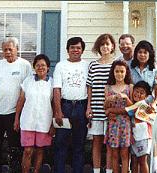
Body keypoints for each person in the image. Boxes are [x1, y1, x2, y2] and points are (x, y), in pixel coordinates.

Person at [0, 37, 32, 173]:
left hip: (13, 114)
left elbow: (26, 91)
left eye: (10, 49)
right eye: (5, 50)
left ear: (17, 49)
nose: (8, 52)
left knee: (14, 147)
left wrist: (21, 114)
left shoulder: (25, 65)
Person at [53, 37, 89, 173]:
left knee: (79, 145)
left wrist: (88, 109)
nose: (75, 50)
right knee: (60, 144)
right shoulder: (61, 66)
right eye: (72, 47)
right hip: (65, 107)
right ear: (67, 50)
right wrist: (58, 110)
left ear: (82, 50)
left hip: (81, 107)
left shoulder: (87, 65)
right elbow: (56, 89)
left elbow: (90, 88)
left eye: (78, 48)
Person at [14, 54, 54, 173]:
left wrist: (53, 124)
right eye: (37, 65)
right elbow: (21, 100)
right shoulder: (28, 81)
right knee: (27, 150)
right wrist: (16, 118)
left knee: (40, 150)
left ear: (48, 68)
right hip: (28, 121)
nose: (40, 67)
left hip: (44, 122)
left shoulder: (52, 83)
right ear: (34, 67)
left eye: (43, 65)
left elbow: (54, 104)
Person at [105, 81, 155, 173]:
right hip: (134, 137)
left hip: (144, 137)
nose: (138, 94)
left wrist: (110, 110)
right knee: (134, 161)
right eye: (136, 91)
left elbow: (126, 110)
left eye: (142, 92)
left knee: (142, 161)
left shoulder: (143, 104)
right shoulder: (135, 103)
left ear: (146, 95)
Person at [86, 33, 117, 173]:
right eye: (102, 44)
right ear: (98, 47)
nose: (105, 47)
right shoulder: (93, 65)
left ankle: (109, 171)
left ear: (112, 47)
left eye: (107, 44)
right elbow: (89, 87)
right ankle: (97, 170)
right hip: (96, 109)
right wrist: (88, 107)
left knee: (110, 143)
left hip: (111, 110)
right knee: (96, 142)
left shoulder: (116, 64)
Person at [130, 40, 157, 173]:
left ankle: (154, 168)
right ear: (136, 53)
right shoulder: (130, 68)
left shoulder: (155, 69)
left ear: (150, 54)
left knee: (148, 139)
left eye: (145, 52)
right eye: (140, 52)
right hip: (134, 107)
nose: (142, 55)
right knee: (135, 138)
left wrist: (154, 103)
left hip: (148, 108)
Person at [104, 60, 133, 173]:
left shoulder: (129, 87)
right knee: (114, 155)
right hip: (113, 124)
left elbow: (132, 108)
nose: (119, 74)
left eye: (122, 71)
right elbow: (105, 109)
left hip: (125, 125)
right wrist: (108, 100)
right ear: (113, 72)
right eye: (117, 71)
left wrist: (126, 98)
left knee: (125, 154)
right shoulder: (108, 88)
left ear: (126, 72)